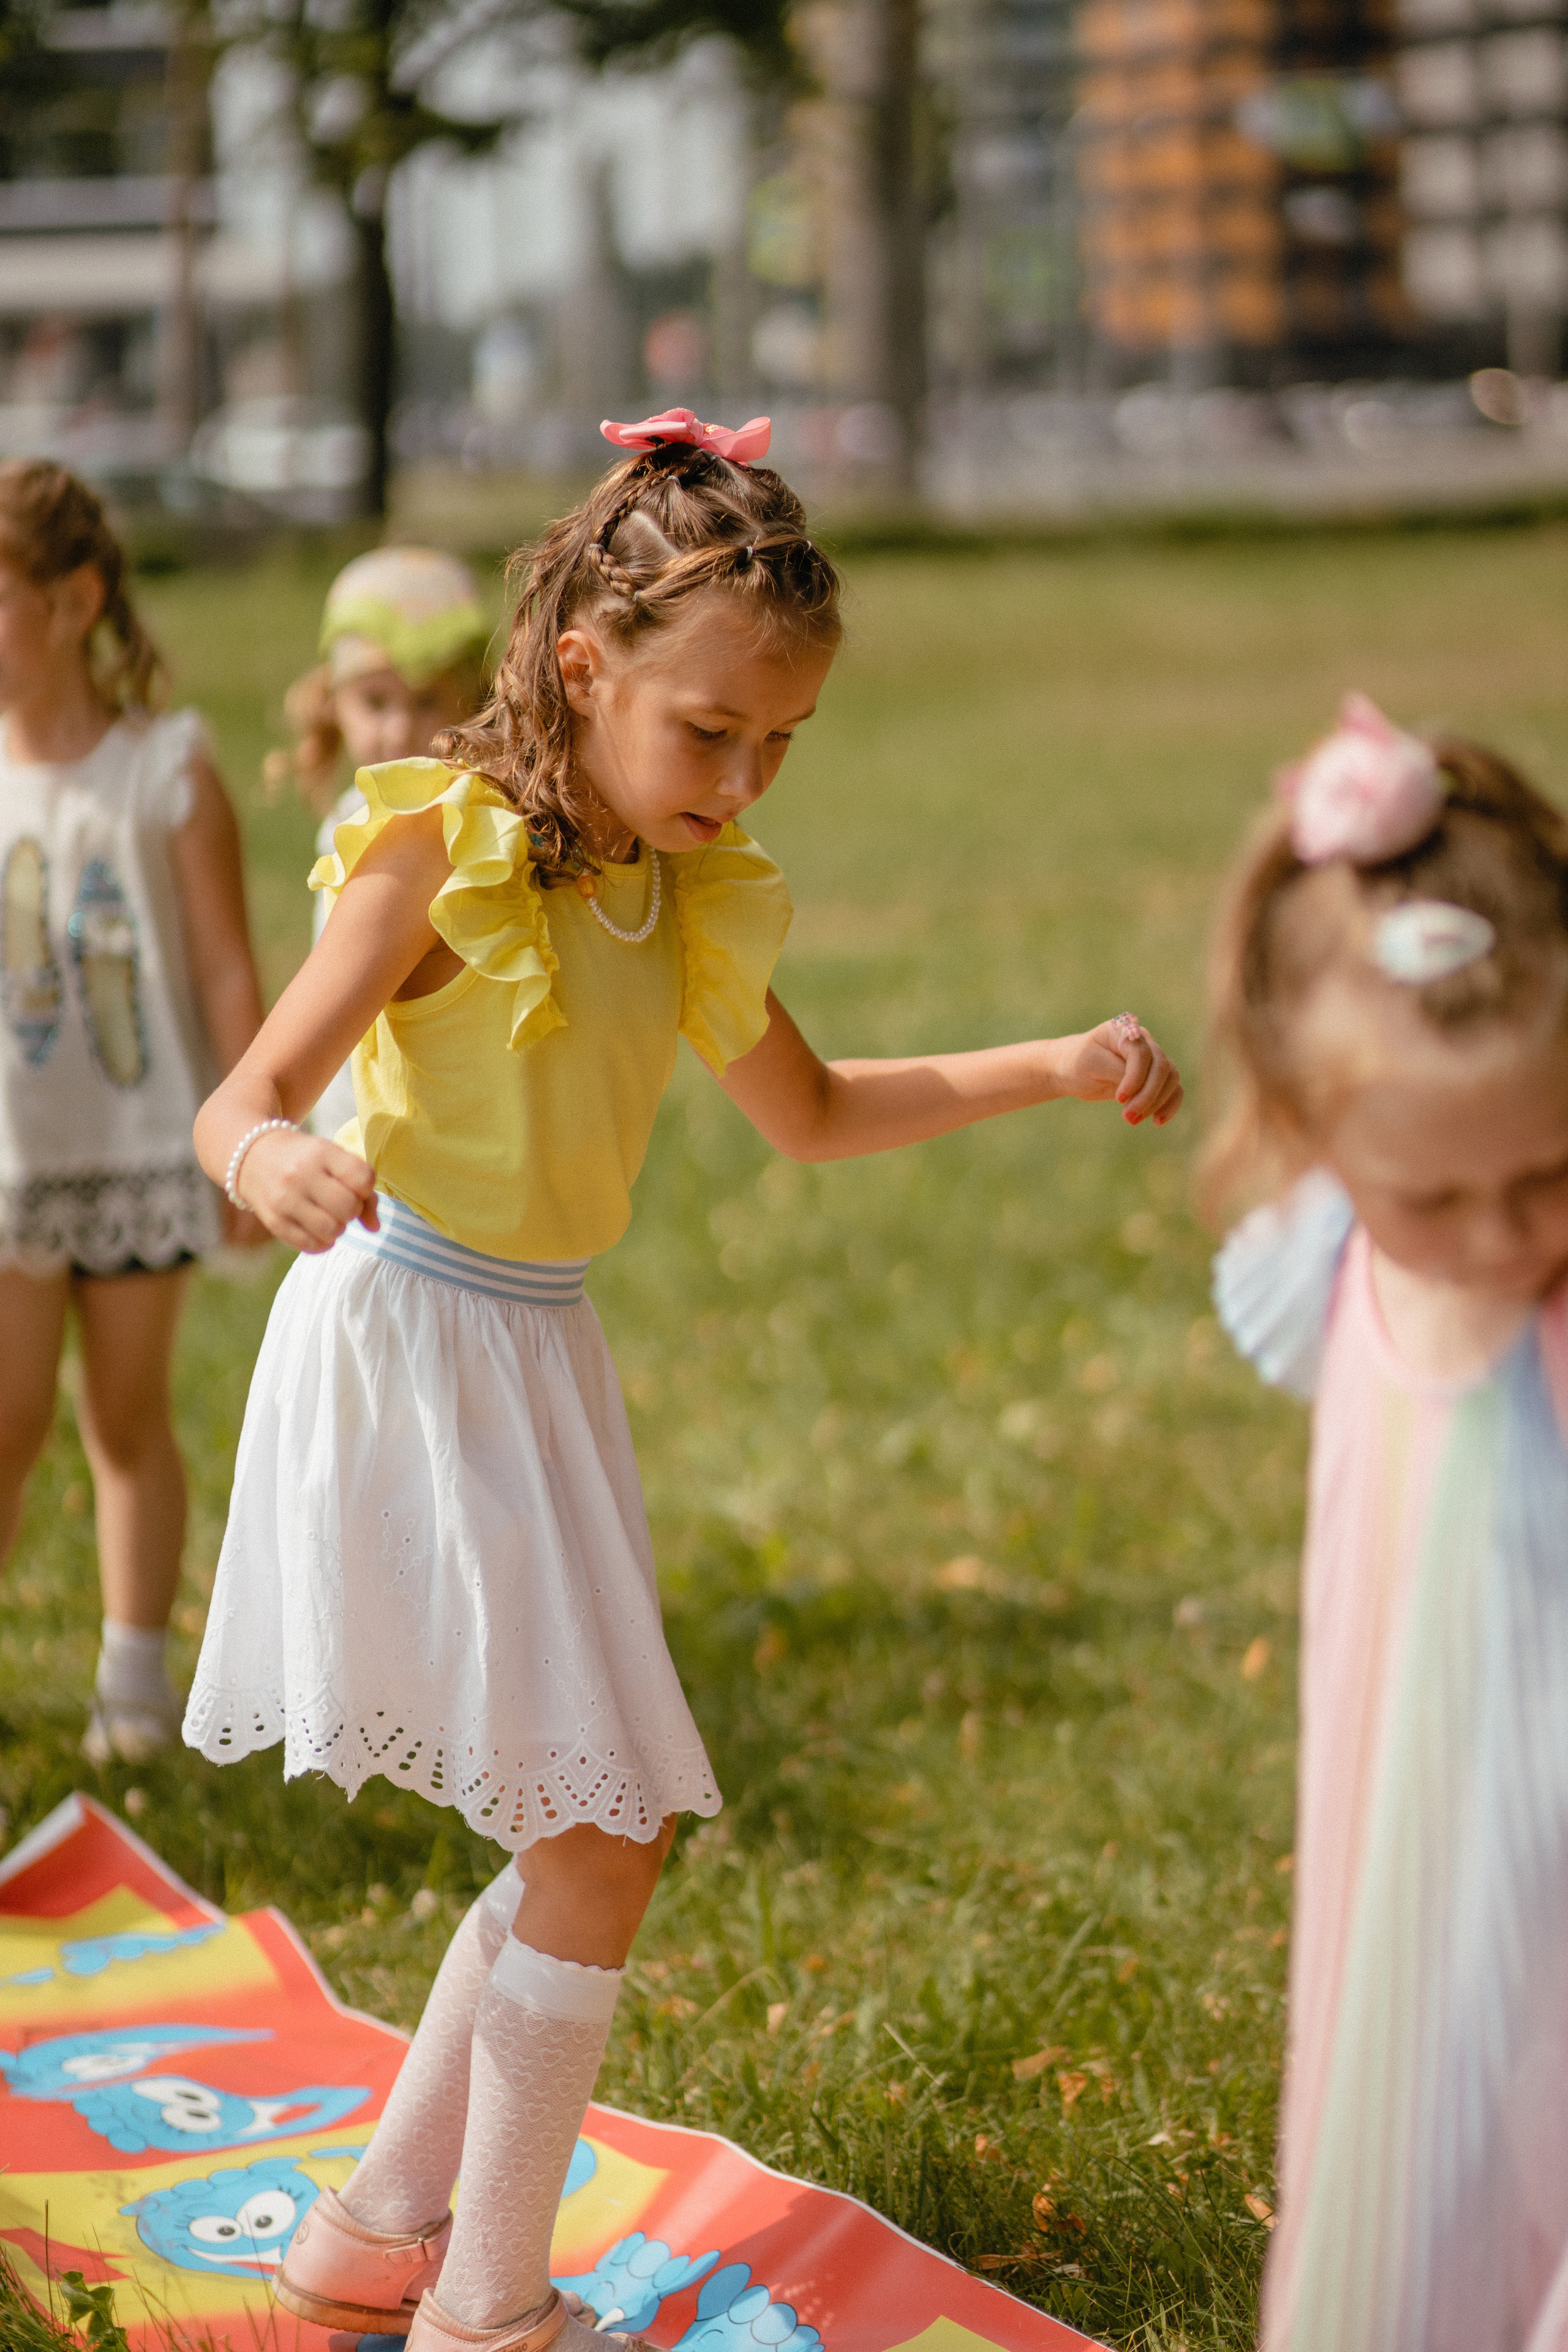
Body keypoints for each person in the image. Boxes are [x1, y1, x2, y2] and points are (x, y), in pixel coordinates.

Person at [183, 408, 1183, 2352]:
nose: (745, 774)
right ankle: (484, 2296)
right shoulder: (436, 854)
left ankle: (369, 2240)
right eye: (708, 730)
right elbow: (242, 1093)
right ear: (585, 666)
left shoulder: (682, 889)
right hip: (408, 1343)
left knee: (586, 1828)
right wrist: (266, 1159)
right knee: (600, 1837)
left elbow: (807, 1111)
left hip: (538, 1353)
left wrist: (1046, 1061)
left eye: (778, 739)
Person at [1207, 693, 1568, 2352]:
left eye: (1552, 1173)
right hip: (1415, 1837)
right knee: (1431, 2148)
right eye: (1436, 1195)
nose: (1502, 1237)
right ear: (1308, 1131)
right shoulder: (1329, 1252)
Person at [0, 459, 265, 1763]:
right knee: (4, 1421)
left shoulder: (165, 766)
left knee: (122, 1415)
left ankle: (135, 1690)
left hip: (140, 1145)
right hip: (8, 1159)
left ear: (72, 600)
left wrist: (251, 1130)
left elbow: (225, 963)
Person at [265, 545, 491, 1136]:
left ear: (474, 700)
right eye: (374, 702)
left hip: (429, 1130)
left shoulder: (470, 826)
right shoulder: (346, 816)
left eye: (425, 702)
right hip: (348, 1118)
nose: (398, 729)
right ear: (332, 701)